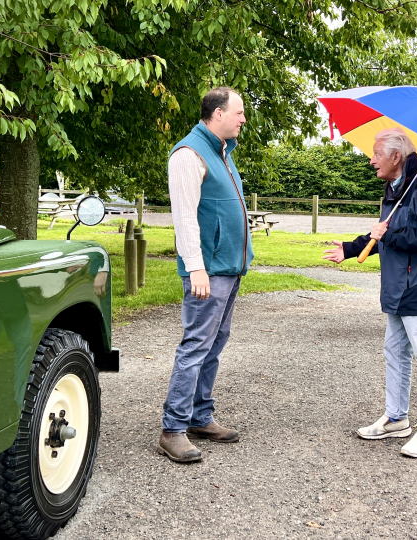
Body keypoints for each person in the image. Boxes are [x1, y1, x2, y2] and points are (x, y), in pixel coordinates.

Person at [322, 128, 417, 458]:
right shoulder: (396, 186)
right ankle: (396, 419)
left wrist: (391, 231)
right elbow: (380, 234)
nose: (371, 160)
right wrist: (351, 249)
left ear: (396, 157)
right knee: (395, 352)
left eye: (377, 154)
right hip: (398, 288)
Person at [159, 87, 253, 463]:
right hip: (208, 271)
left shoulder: (222, 152)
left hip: (228, 268)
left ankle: (200, 416)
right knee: (196, 345)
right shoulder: (188, 154)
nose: (243, 119)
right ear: (217, 114)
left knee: (215, 344)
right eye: (239, 113)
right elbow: (184, 217)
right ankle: (173, 429)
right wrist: (195, 265)